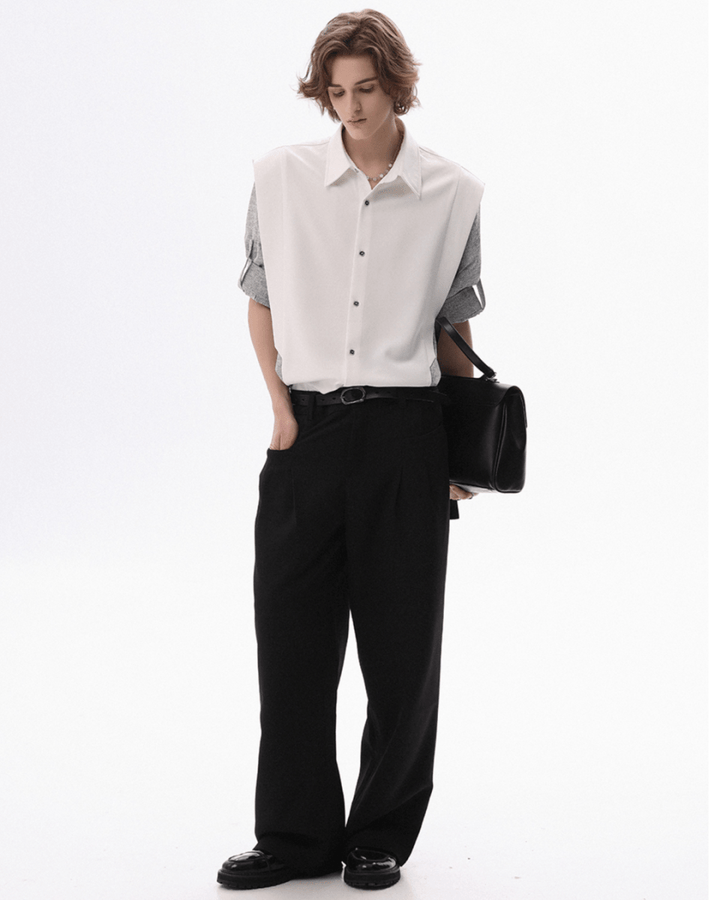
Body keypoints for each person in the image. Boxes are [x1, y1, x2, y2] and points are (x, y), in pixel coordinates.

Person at [217, 9, 484, 891]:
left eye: (367, 89)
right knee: (291, 643)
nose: (352, 108)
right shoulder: (279, 177)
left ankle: (378, 838)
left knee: (403, 652)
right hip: (308, 431)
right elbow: (260, 299)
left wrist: (460, 450)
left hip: (408, 436)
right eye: (336, 93)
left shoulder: (454, 191)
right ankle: (294, 839)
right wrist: (280, 411)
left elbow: (453, 329)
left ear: (397, 86)